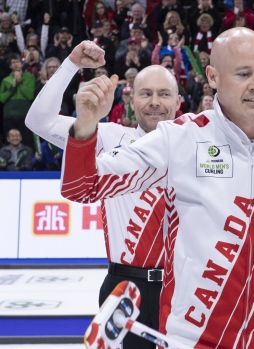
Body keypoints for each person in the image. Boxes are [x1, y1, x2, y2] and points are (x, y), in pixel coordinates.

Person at [59, 27, 254, 348]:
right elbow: (83, 187)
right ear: (213, 77)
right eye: (243, 74)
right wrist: (86, 125)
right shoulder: (180, 138)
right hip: (190, 339)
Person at [25, 41, 175, 349]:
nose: (155, 102)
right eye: (146, 94)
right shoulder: (108, 136)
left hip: (183, 286)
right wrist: (70, 65)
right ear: (131, 100)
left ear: (179, 99)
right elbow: (38, 121)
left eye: (164, 94)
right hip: (124, 287)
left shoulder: (199, 144)